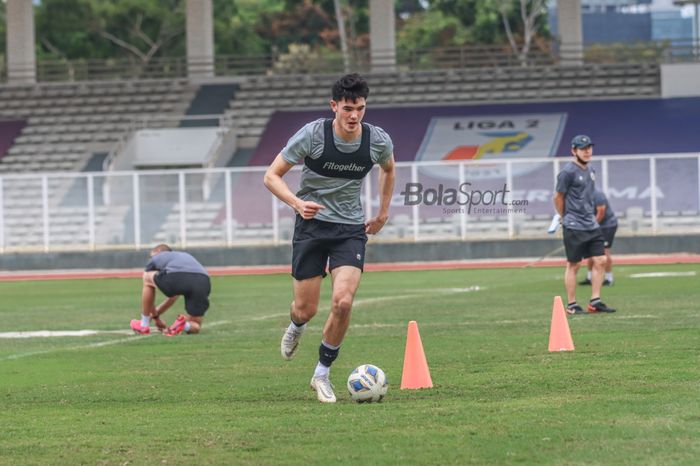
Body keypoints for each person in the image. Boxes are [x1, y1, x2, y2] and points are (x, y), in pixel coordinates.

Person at [263, 73, 396, 403]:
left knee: (343, 301)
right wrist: (296, 202)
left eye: (361, 109)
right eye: (348, 108)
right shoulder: (313, 135)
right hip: (311, 227)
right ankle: (296, 326)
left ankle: (321, 374)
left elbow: (389, 168)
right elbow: (271, 175)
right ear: (334, 106)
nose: (354, 116)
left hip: (349, 230)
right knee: (305, 309)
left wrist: (382, 213)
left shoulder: (377, 140)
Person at [553, 135, 616, 315]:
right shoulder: (567, 172)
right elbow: (558, 197)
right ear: (574, 151)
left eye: (589, 147)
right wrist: (564, 216)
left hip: (591, 224)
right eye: (582, 148)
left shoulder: (591, 170)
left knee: (601, 260)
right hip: (574, 225)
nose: (587, 151)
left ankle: (595, 301)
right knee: (574, 265)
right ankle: (572, 305)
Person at [130, 244, 211, 336]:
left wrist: (156, 319)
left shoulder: (159, 256)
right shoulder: (183, 257)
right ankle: (184, 325)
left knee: (147, 277)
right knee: (195, 325)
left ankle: (143, 325)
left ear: (158, 251)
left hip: (177, 276)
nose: (151, 259)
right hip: (203, 280)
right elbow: (172, 297)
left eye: (151, 256)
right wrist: (156, 318)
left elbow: (149, 287)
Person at [579, 189, 617, 286]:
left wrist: (591, 226)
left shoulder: (597, 194)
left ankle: (609, 278)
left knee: (604, 251)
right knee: (591, 251)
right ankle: (590, 277)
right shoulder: (580, 194)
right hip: (594, 226)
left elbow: (601, 211)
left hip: (607, 226)